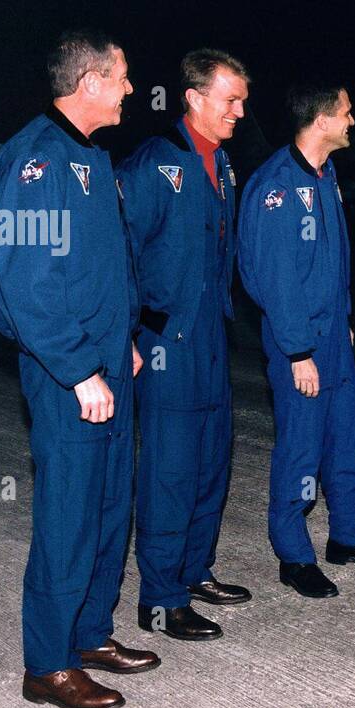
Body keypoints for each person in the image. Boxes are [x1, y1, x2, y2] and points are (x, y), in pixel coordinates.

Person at [0, 29, 157, 708]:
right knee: (70, 513)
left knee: (111, 503)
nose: (130, 90)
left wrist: (126, 340)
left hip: (106, 356)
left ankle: (89, 633)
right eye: (121, 77)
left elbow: (101, 267)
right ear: (88, 82)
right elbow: (27, 285)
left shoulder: (90, 154)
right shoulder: (35, 159)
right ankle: (47, 665)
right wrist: (80, 367)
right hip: (68, 372)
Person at [236, 84, 355, 597]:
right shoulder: (277, 186)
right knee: (301, 452)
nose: (353, 121)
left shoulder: (325, 175)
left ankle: (347, 538)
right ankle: (294, 556)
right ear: (324, 119)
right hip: (299, 346)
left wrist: (344, 317)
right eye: (347, 113)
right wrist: (297, 351)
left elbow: (330, 262)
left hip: (332, 337)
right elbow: (273, 278)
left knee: (347, 441)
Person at [116, 49, 253, 642]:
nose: (240, 111)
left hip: (210, 336)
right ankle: (160, 598)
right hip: (167, 339)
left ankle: (195, 571)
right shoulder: (155, 163)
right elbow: (118, 251)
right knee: (170, 469)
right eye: (231, 99)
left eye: (243, 100)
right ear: (194, 98)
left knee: (210, 462)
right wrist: (130, 330)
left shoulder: (221, 164)